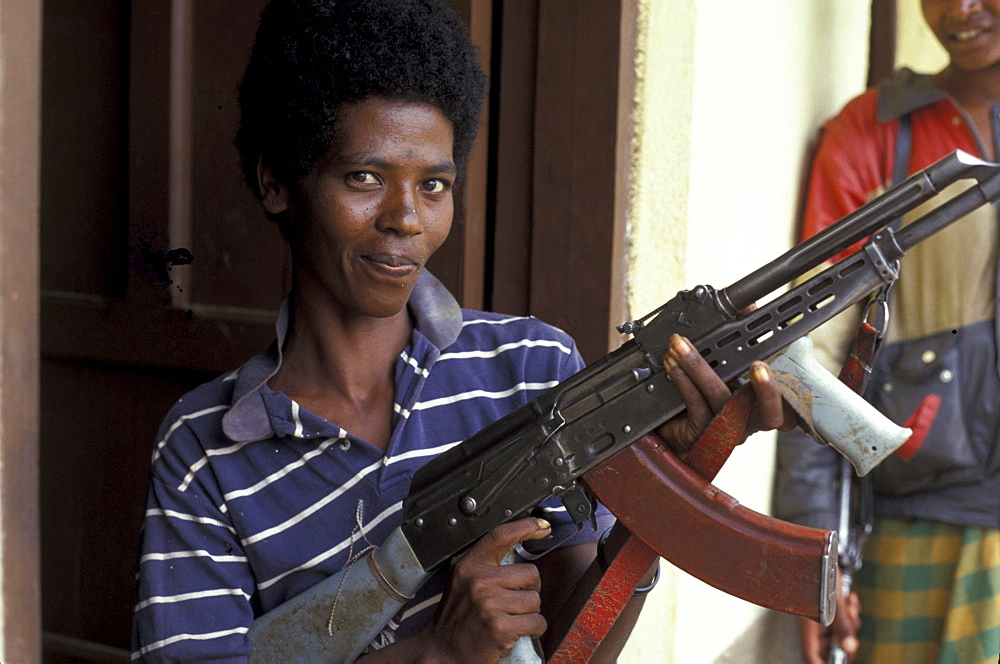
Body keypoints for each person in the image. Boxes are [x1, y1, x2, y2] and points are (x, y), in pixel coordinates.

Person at [130, 0, 792, 661]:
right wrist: (438, 652)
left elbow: (576, 650)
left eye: (435, 185)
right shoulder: (206, 450)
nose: (407, 219)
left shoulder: (529, 366)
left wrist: (663, 486)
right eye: (365, 177)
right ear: (277, 183)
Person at [774, 1, 1000, 662]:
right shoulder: (873, 134)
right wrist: (813, 560)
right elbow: (807, 355)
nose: (958, 9)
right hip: (921, 521)